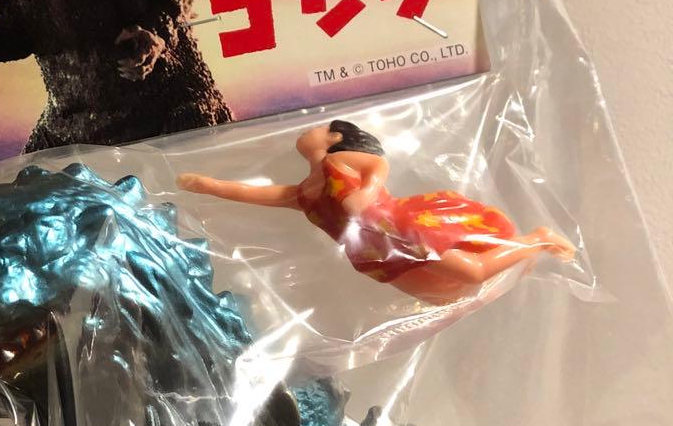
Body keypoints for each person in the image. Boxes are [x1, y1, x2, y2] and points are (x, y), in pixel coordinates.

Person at [178, 120, 575, 306]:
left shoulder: (339, 162)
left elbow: (378, 164)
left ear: (335, 137)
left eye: (317, 128)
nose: (306, 131)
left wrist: (366, 194)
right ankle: (518, 257)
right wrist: (209, 185)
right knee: (440, 295)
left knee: (471, 272)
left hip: (401, 229)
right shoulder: (306, 195)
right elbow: (255, 193)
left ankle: (536, 240)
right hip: (375, 255)